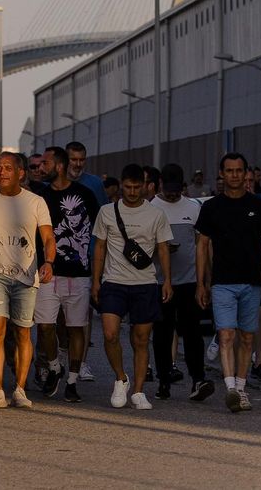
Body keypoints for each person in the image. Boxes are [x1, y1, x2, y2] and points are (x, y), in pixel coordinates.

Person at [195, 152, 261, 413]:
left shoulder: (258, 205)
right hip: (222, 282)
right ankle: (230, 387)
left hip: (252, 282)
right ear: (221, 174)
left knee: (247, 337)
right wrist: (201, 283)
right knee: (226, 334)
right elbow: (202, 246)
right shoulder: (211, 207)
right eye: (229, 171)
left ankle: (242, 388)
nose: (234, 175)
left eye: (238, 170)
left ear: (246, 174)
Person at [0, 151, 53, 410]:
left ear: (20, 173)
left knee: (23, 332)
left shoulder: (36, 202)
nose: (2, 172)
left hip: (27, 276)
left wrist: (48, 262)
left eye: (8, 168)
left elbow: (48, 237)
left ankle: (20, 389)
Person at [90, 164, 171, 411]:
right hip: (113, 281)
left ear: (145, 186)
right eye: (128, 187)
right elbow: (100, 247)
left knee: (141, 339)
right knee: (110, 333)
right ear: (121, 185)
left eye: (137, 187)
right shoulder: (106, 212)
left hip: (145, 283)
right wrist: (96, 281)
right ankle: (120, 378)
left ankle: (138, 391)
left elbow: (163, 248)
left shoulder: (156, 214)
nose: (133, 192)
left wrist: (167, 280)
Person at [33, 146, 101, 401]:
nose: (41, 168)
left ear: (58, 166)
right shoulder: (39, 197)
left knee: (76, 328)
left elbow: (100, 229)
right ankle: (54, 367)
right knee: (46, 325)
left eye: (45, 164)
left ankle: (72, 381)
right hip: (48, 272)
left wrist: (96, 269)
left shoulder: (85, 194)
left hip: (79, 275)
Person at [152, 164, 212, 402]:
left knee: (193, 332)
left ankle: (198, 378)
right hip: (159, 281)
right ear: (160, 185)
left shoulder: (194, 207)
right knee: (162, 333)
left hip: (189, 281)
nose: (172, 194)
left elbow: (202, 246)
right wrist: (162, 250)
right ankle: (164, 379)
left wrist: (204, 281)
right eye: (168, 189)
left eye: (176, 190)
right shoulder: (152, 208)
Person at [66, 141, 108, 206]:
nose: (78, 164)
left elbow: (103, 210)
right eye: (74, 160)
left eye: (82, 160)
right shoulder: (52, 184)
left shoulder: (96, 182)